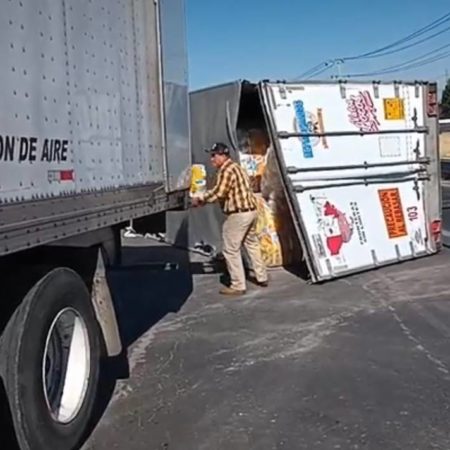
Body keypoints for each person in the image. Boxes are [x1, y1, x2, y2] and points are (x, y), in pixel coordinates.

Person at [192, 142, 268, 296]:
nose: (212, 159)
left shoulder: (226, 170)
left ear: (223, 155)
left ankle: (238, 285)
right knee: (252, 244)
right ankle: (262, 277)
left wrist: (200, 199)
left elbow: (219, 192)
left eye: (214, 155)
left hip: (239, 214)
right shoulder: (237, 167)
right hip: (251, 211)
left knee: (230, 249)